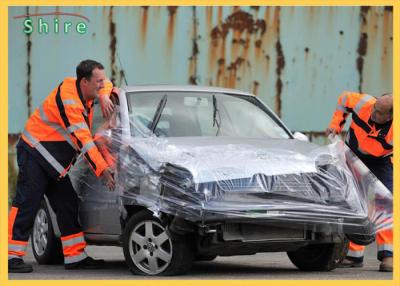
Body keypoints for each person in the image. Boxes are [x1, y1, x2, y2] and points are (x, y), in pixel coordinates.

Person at [8, 60, 117, 273]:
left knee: (67, 202)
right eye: (98, 83)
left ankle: (75, 256)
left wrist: (104, 94)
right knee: (27, 202)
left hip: (53, 162)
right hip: (35, 154)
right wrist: (103, 170)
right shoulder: (69, 102)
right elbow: (85, 142)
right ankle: (10, 256)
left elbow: (108, 83)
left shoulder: (86, 88)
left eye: (102, 81)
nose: (101, 85)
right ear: (84, 82)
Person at [326, 91, 393, 272]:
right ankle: (354, 255)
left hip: (383, 160)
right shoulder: (364, 103)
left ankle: (389, 256)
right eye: (375, 108)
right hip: (353, 155)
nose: (373, 113)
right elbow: (343, 100)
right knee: (355, 200)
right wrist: (336, 125)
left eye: (379, 112)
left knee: (385, 203)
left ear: (391, 117)